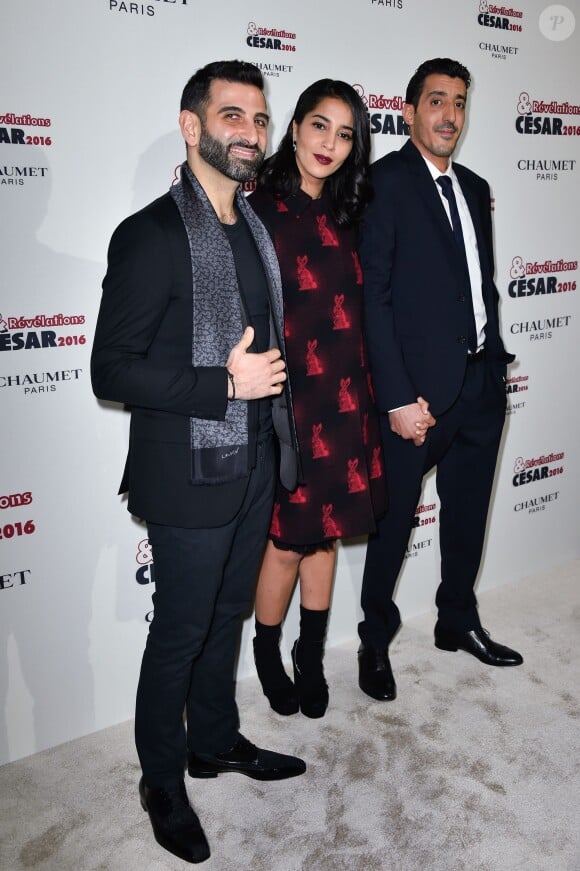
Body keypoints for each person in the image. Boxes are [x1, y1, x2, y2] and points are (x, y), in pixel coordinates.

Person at [91, 60, 306, 865]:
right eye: (232, 116)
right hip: (186, 469)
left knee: (226, 617)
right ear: (193, 127)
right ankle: (161, 778)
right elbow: (111, 369)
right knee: (178, 630)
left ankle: (214, 739)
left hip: (252, 459)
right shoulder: (149, 234)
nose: (251, 131)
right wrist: (225, 383)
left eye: (258, 116)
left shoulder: (254, 227)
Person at [357, 58, 523, 703]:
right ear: (408, 111)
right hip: (417, 396)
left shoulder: (476, 186)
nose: (449, 115)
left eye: (458, 103)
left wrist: (495, 359)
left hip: (482, 380)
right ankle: (375, 637)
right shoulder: (383, 184)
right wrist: (396, 396)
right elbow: (375, 299)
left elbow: (473, 288)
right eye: (436, 102)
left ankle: (457, 618)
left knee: (466, 517)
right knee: (394, 522)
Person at [249, 80, 387, 719]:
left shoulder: (352, 213)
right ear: (295, 129)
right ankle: (269, 652)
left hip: (344, 394)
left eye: (345, 133)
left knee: (326, 537)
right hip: (286, 402)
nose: (329, 143)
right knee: (285, 541)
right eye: (319, 126)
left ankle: (310, 655)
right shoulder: (257, 212)